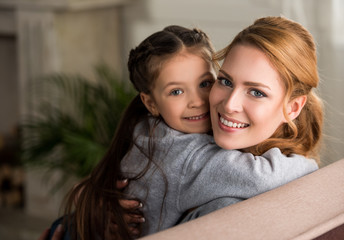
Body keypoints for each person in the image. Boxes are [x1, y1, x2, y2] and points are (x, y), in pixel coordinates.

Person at [43, 17, 322, 240]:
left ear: (294, 107)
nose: (203, 102)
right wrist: (311, 169)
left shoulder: (153, 130)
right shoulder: (189, 154)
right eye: (225, 81)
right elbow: (261, 176)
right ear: (150, 103)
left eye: (205, 83)